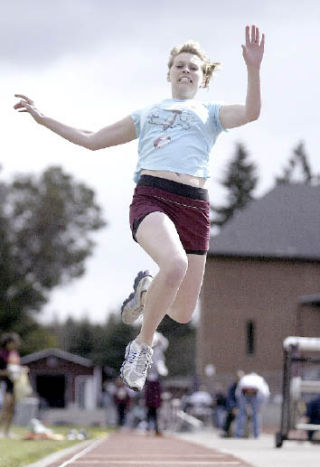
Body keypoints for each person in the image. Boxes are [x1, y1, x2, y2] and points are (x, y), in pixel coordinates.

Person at [14, 25, 265, 393]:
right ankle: (142, 346)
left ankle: (146, 292)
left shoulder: (210, 113)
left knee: (181, 312)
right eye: (179, 65)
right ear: (169, 72)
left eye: (193, 67)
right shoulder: (148, 113)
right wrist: (43, 117)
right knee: (175, 264)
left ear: (203, 77)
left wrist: (254, 69)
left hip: (195, 207)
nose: (185, 70)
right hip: (154, 197)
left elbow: (252, 112)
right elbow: (91, 139)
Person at [235, 371, 270, 438]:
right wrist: (262, 405)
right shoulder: (259, 379)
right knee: (255, 414)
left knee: (243, 413)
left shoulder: (246, 379)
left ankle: (238, 434)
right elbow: (266, 393)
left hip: (248, 391)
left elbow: (237, 392)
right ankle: (256, 434)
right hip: (251, 391)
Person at [0, 333, 21, 437]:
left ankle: (7, 431)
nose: (15, 345)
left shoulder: (15, 353)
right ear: (8, 343)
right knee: (5, 407)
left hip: (13, 384)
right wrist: (7, 372)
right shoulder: (2, 354)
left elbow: (17, 366)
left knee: (12, 408)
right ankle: (0, 430)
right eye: (14, 343)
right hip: (3, 383)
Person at [221, 370, 244, 437]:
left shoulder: (245, 387)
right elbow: (230, 398)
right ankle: (226, 431)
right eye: (238, 377)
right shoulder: (233, 387)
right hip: (235, 407)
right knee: (229, 416)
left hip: (244, 407)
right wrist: (233, 407)